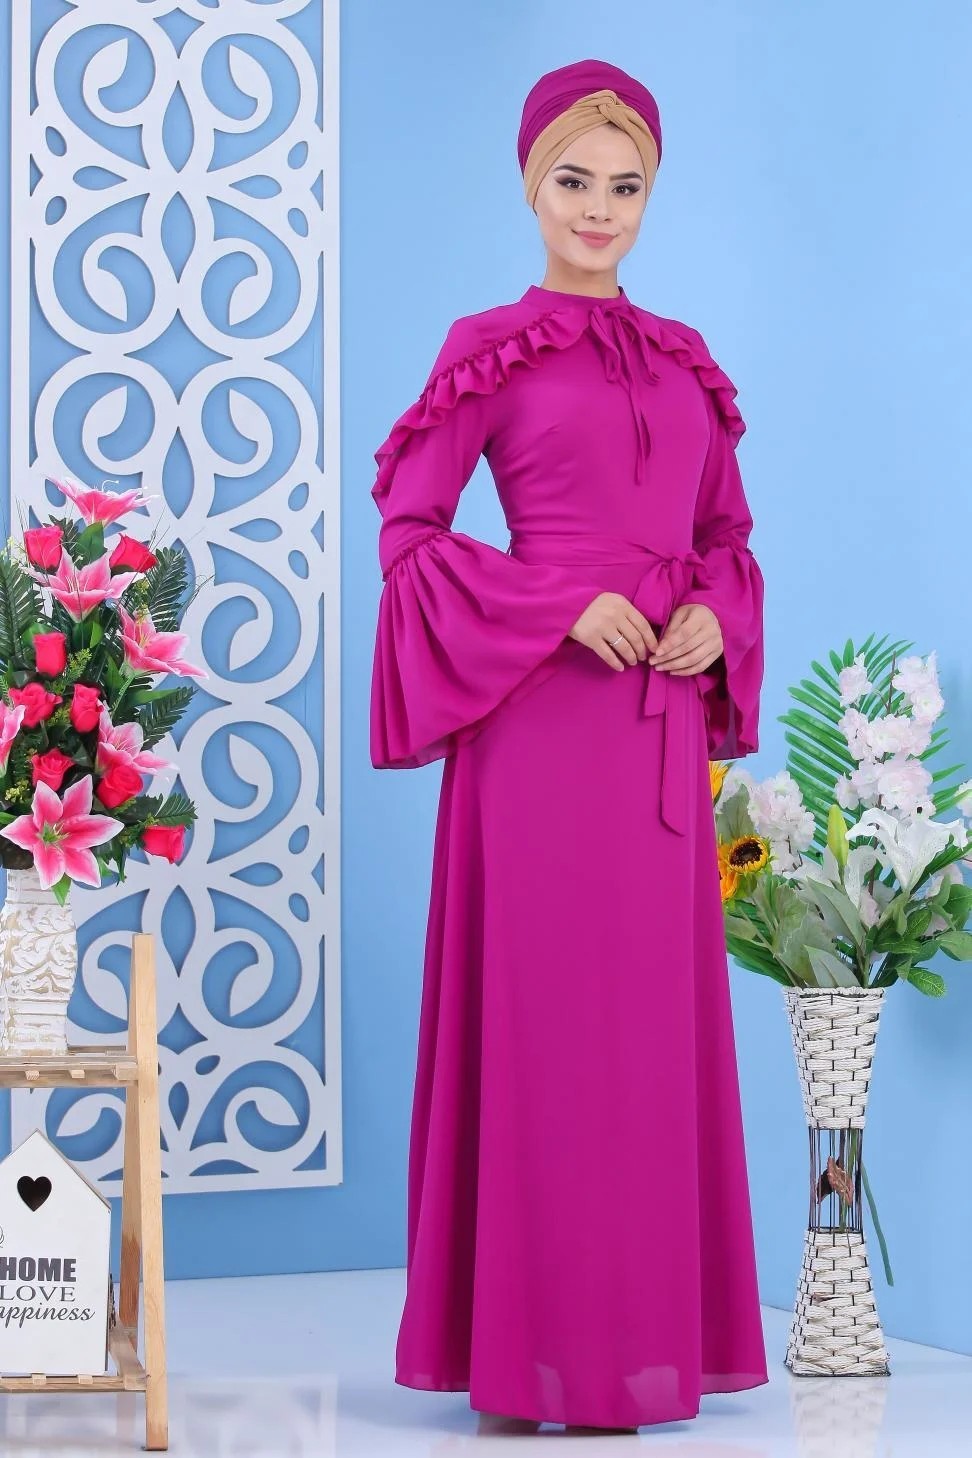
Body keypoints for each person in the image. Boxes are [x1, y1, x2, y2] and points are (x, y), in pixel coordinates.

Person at [369, 57, 769, 1434]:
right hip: (537, 739)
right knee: (543, 1035)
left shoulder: (685, 359)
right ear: (531, 186)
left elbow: (727, 536)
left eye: (626, 187)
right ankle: (523, 1360)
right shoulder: (491, 343)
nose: (600, 210)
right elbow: (411, 537)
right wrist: (554, 602)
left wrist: (714, 613)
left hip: (654, 744)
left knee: (645, 1042)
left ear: (651, 196)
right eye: (574, 182)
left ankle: (639, 1348)